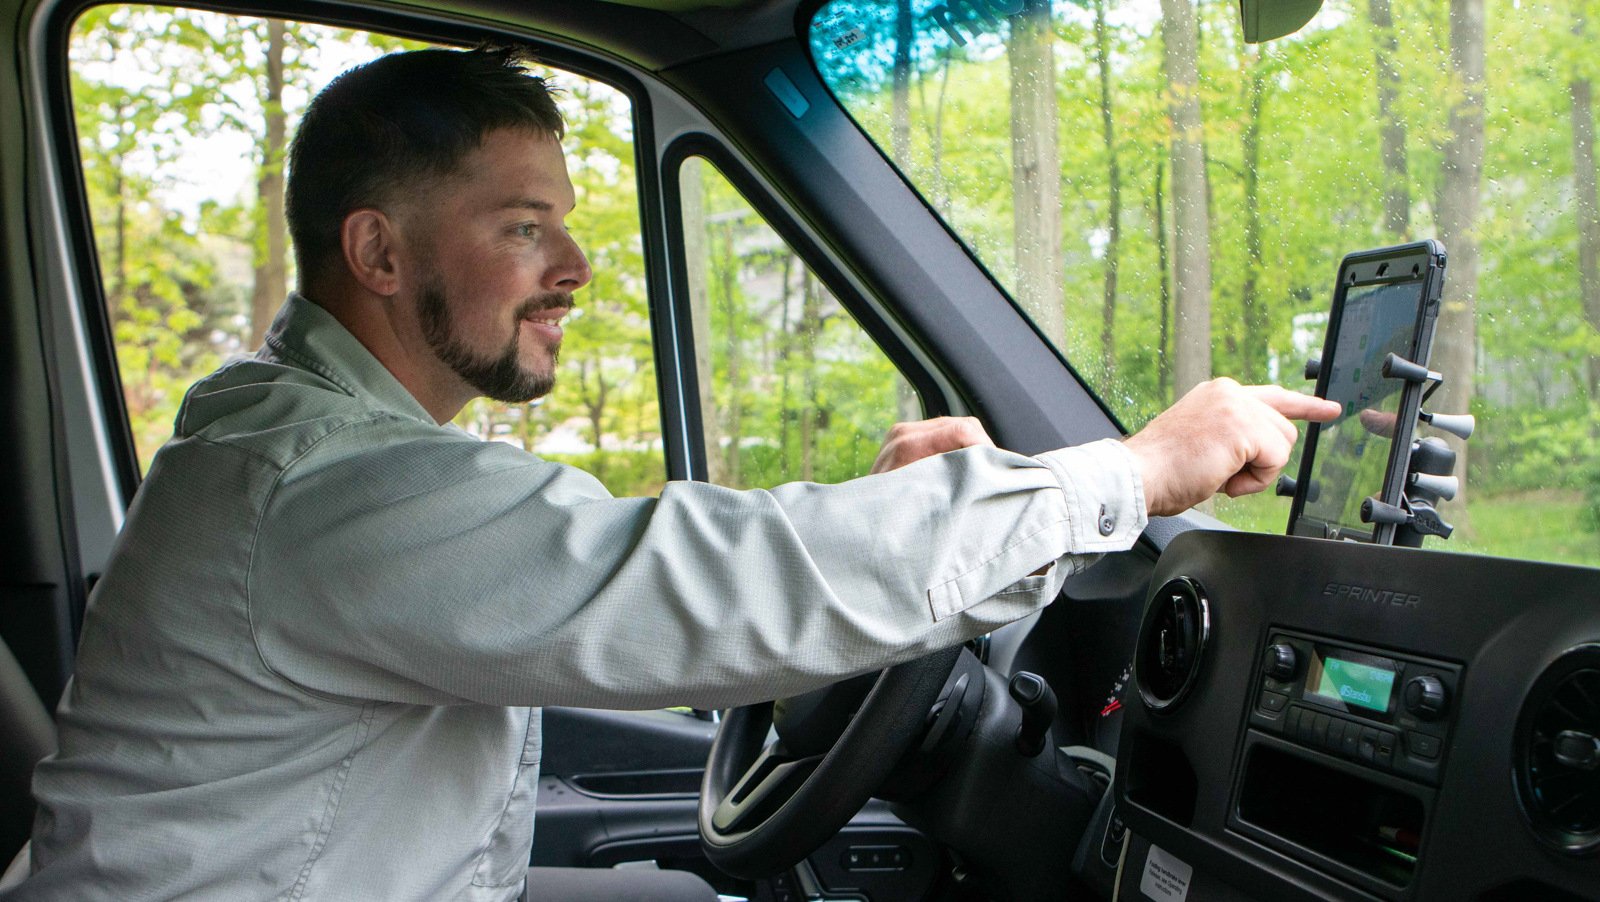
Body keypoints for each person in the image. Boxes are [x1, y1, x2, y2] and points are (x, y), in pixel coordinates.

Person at [7, 46, 1338, 901]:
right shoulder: (325, 491)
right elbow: (697, 585)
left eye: (566, 226)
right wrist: (1136, 470)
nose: (575, 269)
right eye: (523, 227)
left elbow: (655, 576)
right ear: (381, 252)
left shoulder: (313, 451)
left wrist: (898, 517)